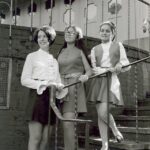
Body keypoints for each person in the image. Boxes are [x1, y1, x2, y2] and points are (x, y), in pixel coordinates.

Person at [88, 21, 131, 150]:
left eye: (107, 31)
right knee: (100, 114)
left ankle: (115, 130)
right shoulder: (94, 49)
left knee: (103, 112)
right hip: (98, 82)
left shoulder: (118, 45)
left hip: (110, 81)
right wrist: (106, 69)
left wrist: (119, 66)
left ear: (112, 33)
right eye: (102, 30)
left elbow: (126, 64)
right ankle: (104, 145)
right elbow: (95, 69)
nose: (104, 33)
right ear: (99, 32)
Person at [21, 25, 64, 150]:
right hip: (37, 98)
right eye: (39, 37)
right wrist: (44, 83)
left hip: (51, 101)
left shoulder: (54, 61)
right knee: (36, 138)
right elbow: (24, 80)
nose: (42, 39)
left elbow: (57, 81)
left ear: (50, 38)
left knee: (45, 140)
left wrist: (60, 87)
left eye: (45, 36)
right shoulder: (32, 56)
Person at [57, 26, 92, 150]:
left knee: (68, 124)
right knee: (64, 124)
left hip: (74, 88)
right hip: (60, 89)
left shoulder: (80, 51)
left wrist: (85, 77)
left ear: (77, 36)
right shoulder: (61, 52)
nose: (68, 34)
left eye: (72, 32)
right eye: (67, 32)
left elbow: (89, 71)